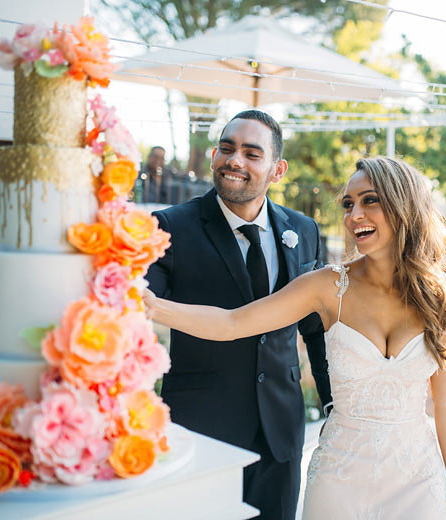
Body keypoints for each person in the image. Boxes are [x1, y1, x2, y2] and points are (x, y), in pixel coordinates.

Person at [145, 157, 446, 520]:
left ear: (403, 204)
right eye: (348, 204)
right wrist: (151, 306)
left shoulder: (439, 298)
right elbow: (232, 323)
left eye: (369, 200)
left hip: (415, 481)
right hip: (339, 479)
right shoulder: (328, 287)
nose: (354, 215)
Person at [144, 110, 332, 520]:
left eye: (251, 153)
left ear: (277, 169)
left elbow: (318, 331)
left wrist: (333, 402)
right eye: (226, 149)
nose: (235, 161)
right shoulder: (169, 228)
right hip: (200, 426)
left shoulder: (305, 230)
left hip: (281, 431)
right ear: (214, 156)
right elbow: (137, 310)